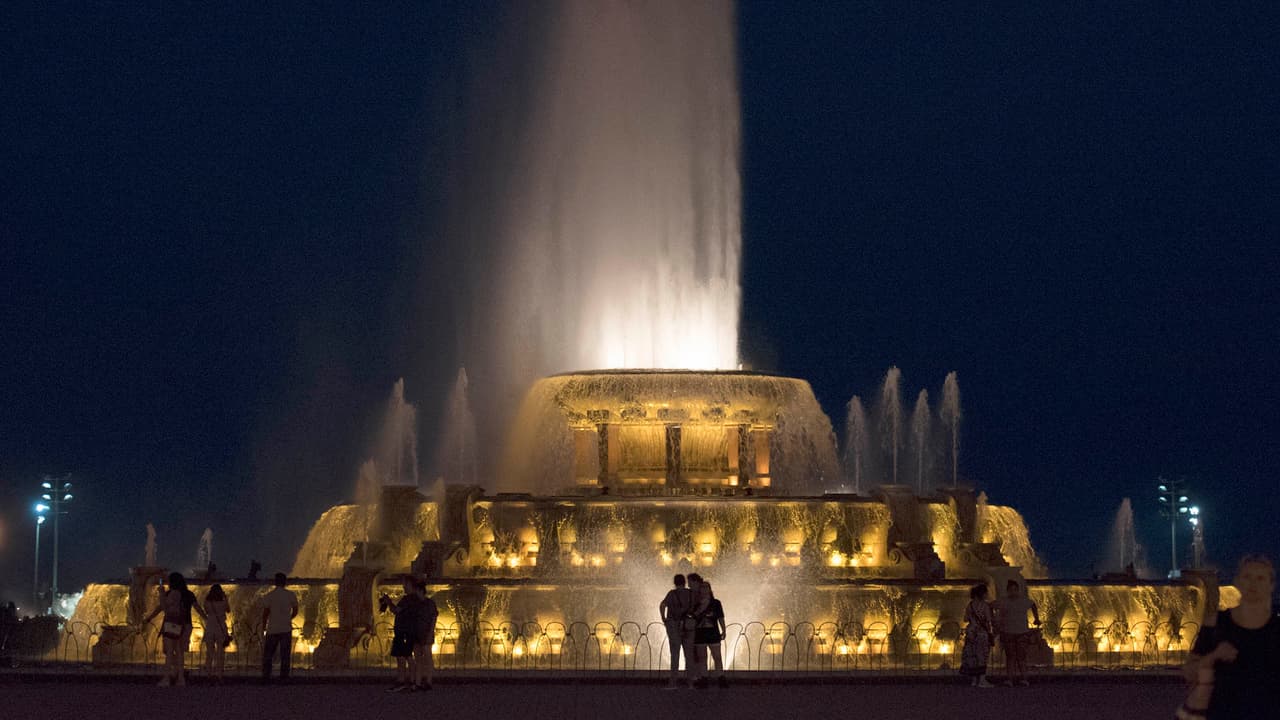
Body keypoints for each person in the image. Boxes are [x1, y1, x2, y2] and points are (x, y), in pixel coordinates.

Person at [1182, 554, 1280, 719]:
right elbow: (1189, 673)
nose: (1253, 583)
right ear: (1237, 582)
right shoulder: (1216, 623)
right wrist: (1213, 656)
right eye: (1247, 576)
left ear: (1271, 586)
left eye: (1260, 578)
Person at [143, 572, 206, 687]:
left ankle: (168, 678)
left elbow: (163, 608)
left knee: (170, 652)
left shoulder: (170, 594)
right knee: (180, 652)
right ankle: (180, 678)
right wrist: (206, 618)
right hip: (185, 625)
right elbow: (198, 608)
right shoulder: (188, 594)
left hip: (172, 625)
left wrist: (150, 616)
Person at [383, 577, 432, 692]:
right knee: (405, 656)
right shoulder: (417, 600)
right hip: (409, 631)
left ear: (412, 586)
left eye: (406, 584)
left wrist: (388, 601)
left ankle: (405, 681)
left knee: (404, 657)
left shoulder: (408, 599)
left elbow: (396, 610)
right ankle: (410, 681)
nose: (403, 586)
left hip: (404, 631)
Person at [995, 578, 1040, 686]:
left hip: (1022, 633)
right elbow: (991, 605)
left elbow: (1033, 605)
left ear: (1018, 590)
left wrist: (1036, 618)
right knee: (1010, 657)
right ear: (1008, 591)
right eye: (1011, 590)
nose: (1013, 592)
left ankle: (1024, 679)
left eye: (1015, 589)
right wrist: (994, 620)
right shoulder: (1003, 600)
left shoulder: (1024, 600)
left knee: (1021, 657)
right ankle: (1010, 679)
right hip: (1008, 632)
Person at [260, 572, 298, 683]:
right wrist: (289, 618)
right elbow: (295, 610)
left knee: (268, 655)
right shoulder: (290, 595)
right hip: (286, 628)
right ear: (285, 582)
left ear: (275, 582)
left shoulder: (269, 595)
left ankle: (266, 677)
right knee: (285, 655)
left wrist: (263, 626)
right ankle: (284, 678)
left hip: (272, 629)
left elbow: (265, 613)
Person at [658, 573, 694, 689]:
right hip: (688, 627)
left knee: (675, 654)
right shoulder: (690, 593)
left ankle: (673, 683)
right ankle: (690, 683)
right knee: (688, 655)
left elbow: (662, 605)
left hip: (673, 625)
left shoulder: (672, 594)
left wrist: (664, 619)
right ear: (684, 582)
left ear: (675, 582)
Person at [692, 579, 728, 688]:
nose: (704, 589)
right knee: (702, 657)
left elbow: (720, 617)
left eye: (706, 587)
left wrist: (724, 630)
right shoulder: (696, 603)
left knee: (717, 656)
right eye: (702, 587)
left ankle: (720, 677)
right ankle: (704, 678)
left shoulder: (716, 603)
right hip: (700, 633)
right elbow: (692, 617)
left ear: (710, 590)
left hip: (713, 633)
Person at [960, 583, 995, 687]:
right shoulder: (985, 605)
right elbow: (988, 620)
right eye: (986, 593)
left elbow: (965, 619)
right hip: (982, 633)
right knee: (982, 656)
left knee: (973, 656)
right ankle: (982, 680)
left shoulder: (970, 605)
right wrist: (990, 633)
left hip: (971, 633)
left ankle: (974, 680)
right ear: (982, 594)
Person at [202, 584, 230, 683]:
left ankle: (208, 674)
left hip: (210, 628)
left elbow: (206, 611)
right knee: (220, 653)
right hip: (220, 628)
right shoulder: (223, 602)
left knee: (209, 652)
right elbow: (228, 610)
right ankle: (219, 675)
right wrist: (225, 597)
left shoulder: (207, 602)